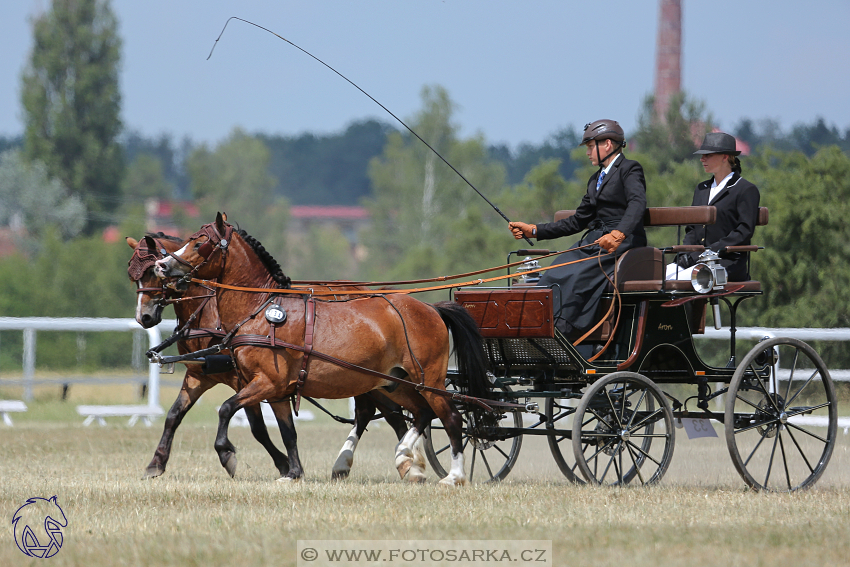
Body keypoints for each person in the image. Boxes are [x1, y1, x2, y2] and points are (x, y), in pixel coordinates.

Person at [509, 119, 647, 337]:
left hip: (622, 243)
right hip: (596, 241)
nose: (588, 152)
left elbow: (637, 203)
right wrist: (535, 230)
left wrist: (619, 234)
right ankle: (540, 330)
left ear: (608, 145)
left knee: (576, 279)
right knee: (552, 275)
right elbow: (577, 221)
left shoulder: (629, 169)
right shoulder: (595, 180)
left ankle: (563, 332)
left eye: (591, 146)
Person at [665, 132, 760, 282]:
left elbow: (743, 231)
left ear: (725, 157)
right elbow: (691, 228)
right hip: (694, 259)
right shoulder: (701, 189)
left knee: (673, 282)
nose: (702, 159)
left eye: (708, 155)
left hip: (727, 262)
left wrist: (709, 252)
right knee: (657, 278)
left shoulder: (745, 189)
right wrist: (686, 254)